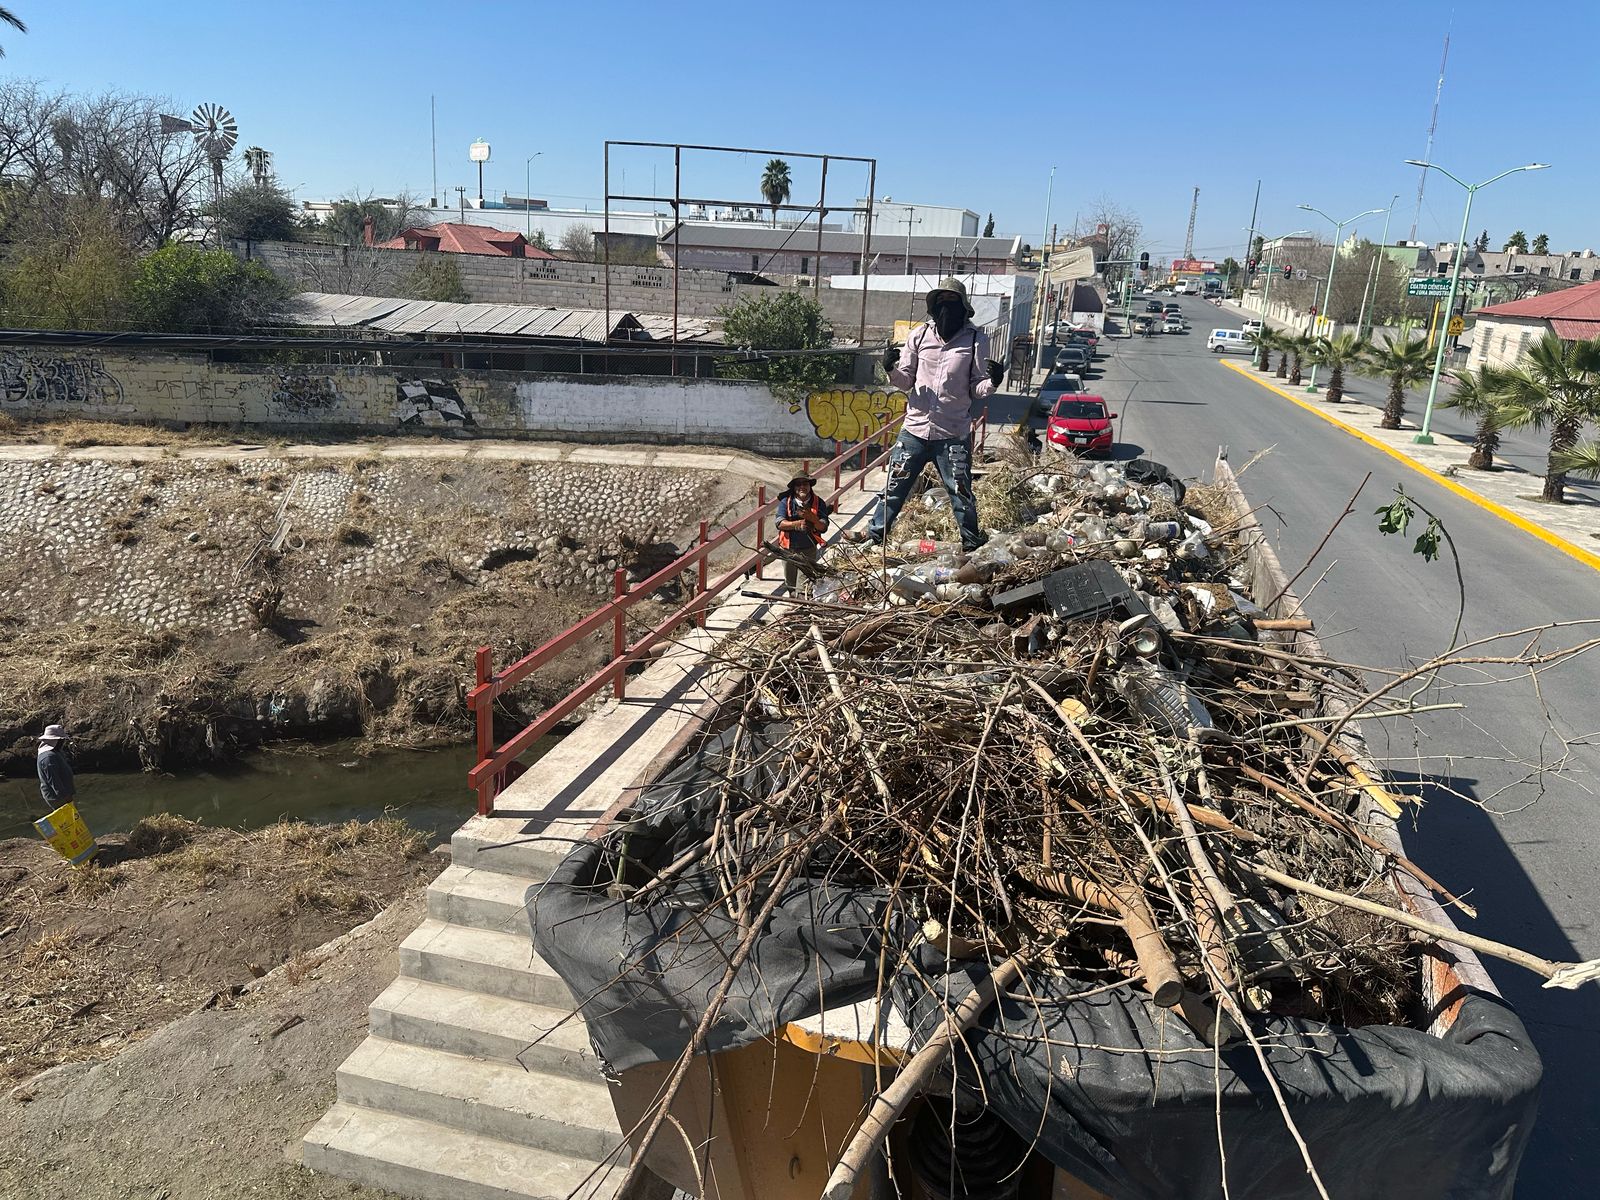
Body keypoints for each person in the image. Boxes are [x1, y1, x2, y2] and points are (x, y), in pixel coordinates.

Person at [844, 277, 1002, 552]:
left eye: (952, 303)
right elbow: (905, 381)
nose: (946, 310)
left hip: (952, 433)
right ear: (932, 307)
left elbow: (977, 388)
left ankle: (971, 541)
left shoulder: (976, 339)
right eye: (941, 303)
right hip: (915, 430)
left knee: (960, 492)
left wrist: (994, 382)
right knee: (894, 488)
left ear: (964, 309)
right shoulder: (918, 336)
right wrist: (890, 369)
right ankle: (875, 534)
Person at [775, 472, 831, 591]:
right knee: (790, 582)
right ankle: (793, 600)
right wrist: (796, 525)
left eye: (805, 483)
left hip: (808, 549)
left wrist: (813, 519)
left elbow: (823, 528)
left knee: (804, 584)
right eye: (798, 484)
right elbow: (779, 523)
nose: (802, 487)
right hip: (788, 548)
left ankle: (801, 603)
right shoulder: (786, 502)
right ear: (794, 488)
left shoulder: (818, 502)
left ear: (810, 486)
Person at [36, 724, 75, 810]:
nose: (63, 742)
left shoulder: (55, 752)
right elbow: (54, 781)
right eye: (61, 740)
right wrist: (66, 798)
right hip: (57, 798)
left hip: (63, 794)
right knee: (67, 821)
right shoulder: (48, 758)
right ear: (54, 741)